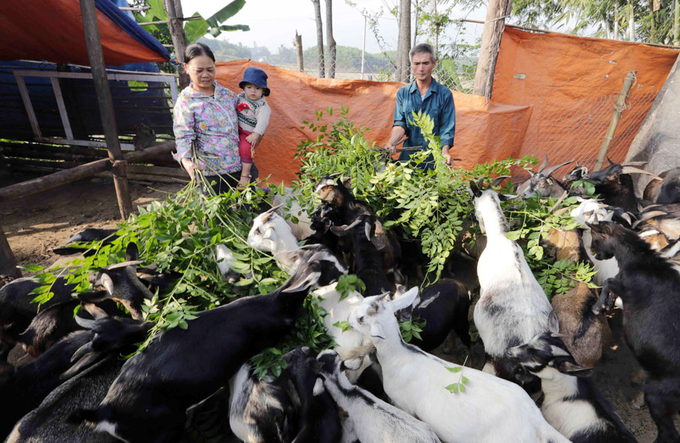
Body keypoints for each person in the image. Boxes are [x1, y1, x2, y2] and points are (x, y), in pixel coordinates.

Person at [172, 42, 251, 194]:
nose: (205, 75)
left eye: (210, 69)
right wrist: (186, 161)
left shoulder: (228, 95)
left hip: (240, 169)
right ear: (187, 68)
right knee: (217, 215)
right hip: (210, 174)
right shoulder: (186, 101)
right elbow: (183, 135)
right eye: (199, 70)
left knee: (247, 213)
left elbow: (245, 123)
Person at [384, 43, 456, 169]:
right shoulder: (404, 93)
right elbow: (400, 123)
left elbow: (447, 129)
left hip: (433, 162)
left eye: (425, 63)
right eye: (417, 63)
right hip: (408, 160)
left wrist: (445, 152)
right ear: (411, 65)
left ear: (434, 63)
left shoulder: (444, 94)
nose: (421, 68)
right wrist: (392, 142)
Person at [235, 67, 272, 188]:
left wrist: (256, 134)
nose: (253, 91)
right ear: (244, 87)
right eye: (249, 87)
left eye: (257, 88)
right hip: (236, 129)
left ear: (263, 91)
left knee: (246, 149)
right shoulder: (240, 97)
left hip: (248, 134)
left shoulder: (262, 106)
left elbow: (262, 122)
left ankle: (245, 176)